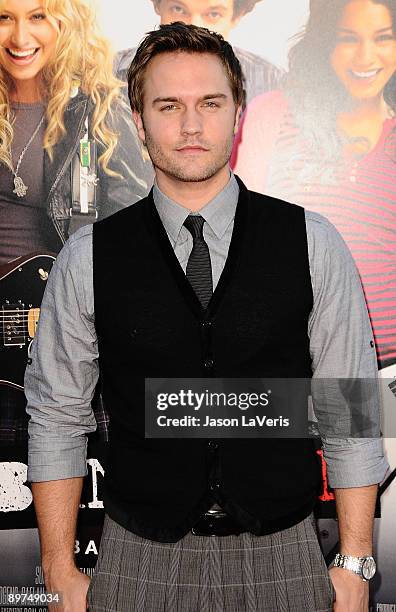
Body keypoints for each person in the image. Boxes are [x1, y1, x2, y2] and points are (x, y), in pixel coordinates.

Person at [25, 22, 388, 612]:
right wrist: (59, 569)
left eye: (210, 103)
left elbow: (350, 410)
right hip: (136, 562)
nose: (191, 126)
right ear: (138, 122)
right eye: (168, 106)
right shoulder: (88, 258)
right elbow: (57, 417)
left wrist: (354, 561)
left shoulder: (312, 243)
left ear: (239, 113)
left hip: (286, 560)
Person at [0, 0, 153, 443]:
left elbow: (135, 232)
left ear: (65, 22)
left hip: (71, 336)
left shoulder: (100, 111)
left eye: (37, 17)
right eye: (4, 18)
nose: (20, 38)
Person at [232, 0, 396, 371]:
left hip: (387, 375)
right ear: (324, 43)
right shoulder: (273, 116)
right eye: (347, 38)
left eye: (383, 38)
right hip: (292, 367)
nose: (366, 56)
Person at [114, 0, 282, 104]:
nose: (192, 28)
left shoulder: (271, 82)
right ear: (158, 5)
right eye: (178, 9)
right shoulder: (106, 74)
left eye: (213, 14)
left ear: (235, 17)